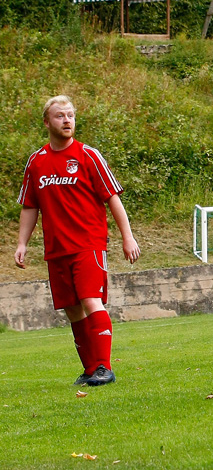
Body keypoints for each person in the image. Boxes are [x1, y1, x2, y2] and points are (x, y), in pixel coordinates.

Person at [15, 96, 141, 387]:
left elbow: (112, 197)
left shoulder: (88, 155)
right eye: (60, 116)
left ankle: (105, 368)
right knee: (72, 309)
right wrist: (22, 244)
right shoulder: (37, 162)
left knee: (89, 300)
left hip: (88, 244)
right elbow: (29, 206)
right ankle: (90, 370)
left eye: (70, 115)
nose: (67, 120)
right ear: (47, 122)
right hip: (56, 249)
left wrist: (127, 236)